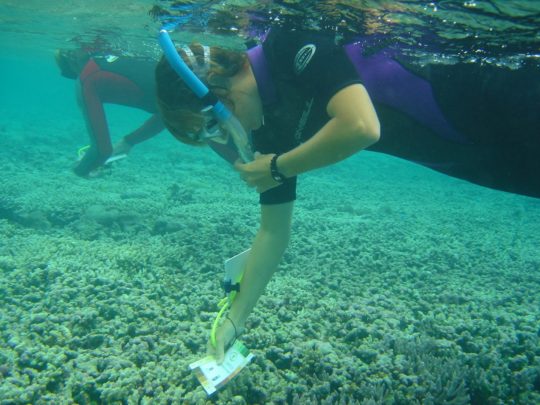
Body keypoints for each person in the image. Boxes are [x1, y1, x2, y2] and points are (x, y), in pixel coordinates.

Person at [155, 29, 539, 362]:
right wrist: (233, 322)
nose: (226, 135)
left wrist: (278, 168)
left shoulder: (288, 43)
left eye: (212, 124)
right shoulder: (270, 131)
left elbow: (361, 125)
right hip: (470, 157)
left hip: (497, 99)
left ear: (217, 83)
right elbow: (273, 233)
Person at [55, 48, 165, 177]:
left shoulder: (86, 80)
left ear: (72, 64)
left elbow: (102, 151)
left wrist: (80, 171)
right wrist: (128, 141)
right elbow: (171, 111)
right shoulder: (121, 55)